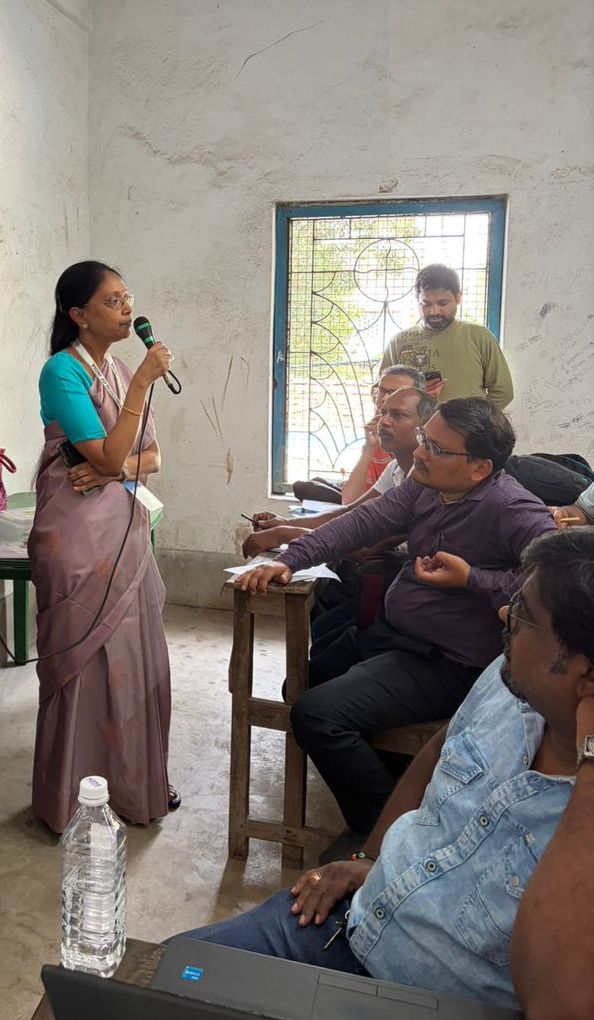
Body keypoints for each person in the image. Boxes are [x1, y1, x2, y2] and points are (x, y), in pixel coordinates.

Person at [173, 527, 594, 1020]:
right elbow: (439, 752)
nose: (505, 615)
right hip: (343, 925)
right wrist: (370, 856)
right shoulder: (507, 686)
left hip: (428, 1002)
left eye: (523, 616)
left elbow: (558, 1004)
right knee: (147, 983)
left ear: (586, 675)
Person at [236, 397, 555, 853]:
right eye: (425, 439)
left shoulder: (513, 509)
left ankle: (386, 833)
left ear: (480, 467)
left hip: (446, 660)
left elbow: (550, 587)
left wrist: (473, 579)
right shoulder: (424, 487)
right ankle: (391, 786)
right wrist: (290, 561)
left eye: (437, 448)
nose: (421, 453)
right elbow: (360, 523)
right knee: (300, 686)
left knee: (319, 715)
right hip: (395, 634)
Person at [29, 261, 174, 833]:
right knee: (81, 662)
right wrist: (142, 384)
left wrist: (112, 471)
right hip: (75, 536)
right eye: (113, 300)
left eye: (127, 297)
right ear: (78, 314)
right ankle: (74, 798)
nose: (126, 308)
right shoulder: (61, 372)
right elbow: (111, 455)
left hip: (124, 530)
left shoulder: (115, 369)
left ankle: (131, 785)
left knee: (133, 661)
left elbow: (148, 458)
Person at [244, 386, 436, 557]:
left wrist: (283, 534)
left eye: (398, 415)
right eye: (382, 412)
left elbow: (366, 547)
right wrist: (286, 523)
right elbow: (351, 511)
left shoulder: (429, 479)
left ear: (426, 426)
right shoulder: (395, 468)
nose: (383, 422)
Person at [379, 263, 513, 408]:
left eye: (443, 303)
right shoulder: (400, 342)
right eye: (426, 304)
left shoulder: (479, 337)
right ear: (417, 299)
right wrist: (416, 395)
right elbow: (380, 391)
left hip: (466, 429)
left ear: (458, 298)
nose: (434, 311)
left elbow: (503, 392)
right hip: (414, 430)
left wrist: (474, 423)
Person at [339, 365, 425, 503]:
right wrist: (368, 449)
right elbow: (350, 503)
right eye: (381, 391)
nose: (384, 398)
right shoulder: (381, 440)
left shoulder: (427, 451)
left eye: (395, 392)